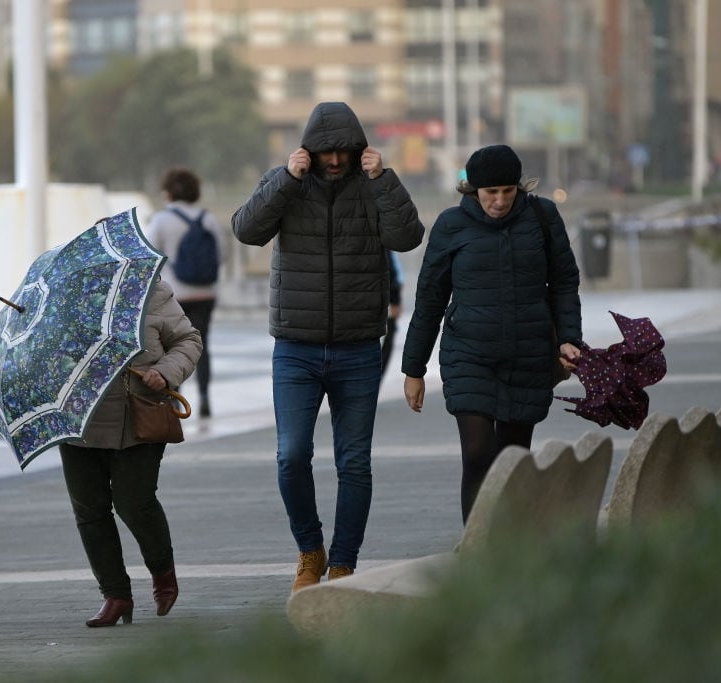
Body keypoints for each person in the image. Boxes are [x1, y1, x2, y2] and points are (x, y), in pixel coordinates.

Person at [232, 101, 425, 592]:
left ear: (357, 147)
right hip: (295, 346)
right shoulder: (288, 183)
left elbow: (407, 236)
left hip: (359, 347)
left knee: (353, 462)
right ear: (309, 150)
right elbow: (246, 230)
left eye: (343, 150)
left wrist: (385, 179)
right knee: (291, 455)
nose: (335, 160)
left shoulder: (372, 184)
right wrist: (286, 180)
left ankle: (343, 563)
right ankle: (310, 549)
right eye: (325, 152)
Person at [400, 144, 582, 524]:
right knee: (479, 452)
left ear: (519, 187)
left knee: (513, 458)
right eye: (490, 193)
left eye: (507, 191)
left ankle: (507, 550)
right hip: (469, 354)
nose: (499, 201)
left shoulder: (542, 217)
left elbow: (564, 282)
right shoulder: (451, 225)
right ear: (473, 190)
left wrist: (569, 338)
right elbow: (430, 298)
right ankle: (476, 549)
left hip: (528, 352)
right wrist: (413, 368)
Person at [59, 279, 202, 627]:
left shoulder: (151, 290)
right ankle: (116, 595)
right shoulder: (67, 296)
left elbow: (188, 340)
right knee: (89, 509)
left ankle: (163, 574)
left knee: (133, 501)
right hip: (78, 418)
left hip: (140, 414)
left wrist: (164, 372)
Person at [145, 167, 227, 417]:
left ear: (168, 192)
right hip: (205, 294)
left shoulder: (161, 220)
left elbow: (149, 256)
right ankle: (203, 397)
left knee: (172, 349)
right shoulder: (208, 220)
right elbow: (221, 255)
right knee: (200, 345)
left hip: (174, 297)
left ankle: (174, 398)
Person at [380, 250, 404, 379]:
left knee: (389, 338)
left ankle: (379, 377)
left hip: (391, 292)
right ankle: (378, 376)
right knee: (388, 339)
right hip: (389, 293)